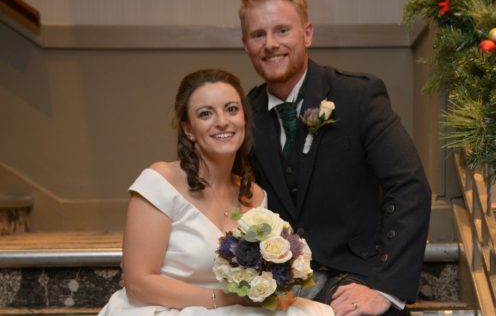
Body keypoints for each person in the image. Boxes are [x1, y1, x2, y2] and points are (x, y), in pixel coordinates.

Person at [240, 0, 432, 316]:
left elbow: (409, 187)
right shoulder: (243, 115)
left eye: (282, 30)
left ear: (308, 34)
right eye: (258, 34)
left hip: (356, 274)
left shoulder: (357, 96)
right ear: (246, 44)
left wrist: (384, 287)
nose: (270, 43)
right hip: (276, 287)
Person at [99, 69, 334, 315]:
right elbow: (138, 284)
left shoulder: (255, 196)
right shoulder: (161, 181)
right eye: (205, 114)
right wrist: (222, 299)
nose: (222, 121)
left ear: (244, 118)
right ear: (188, 130)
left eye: (231, 109)